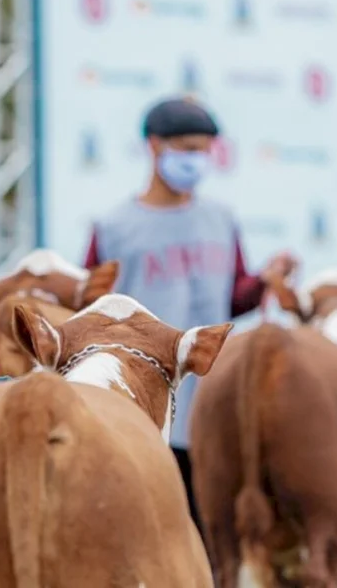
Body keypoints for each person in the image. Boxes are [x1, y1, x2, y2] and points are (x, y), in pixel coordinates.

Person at [83, 96, 297, 526]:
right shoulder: (114, 228)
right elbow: (91, 308)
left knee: (213, 536)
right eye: (186, 148)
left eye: (203, 150)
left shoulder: (221, 219)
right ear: (155, 147)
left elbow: (232, 298)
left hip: (213, 405)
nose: (196, 159)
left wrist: (265, 282)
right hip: (144, 408)